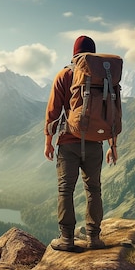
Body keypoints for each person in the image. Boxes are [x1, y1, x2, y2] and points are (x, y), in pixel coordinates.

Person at [44, 35, 118, 252]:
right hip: (96, 142)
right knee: (94, 189)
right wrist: (113, 146)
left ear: (74, 53)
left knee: (65, 189)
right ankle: (94, 238)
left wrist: (48, 142)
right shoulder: (104, 77)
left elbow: (52, 113)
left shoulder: (65, 75)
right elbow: (112, 113)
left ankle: (66, 239)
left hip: (68, 142)